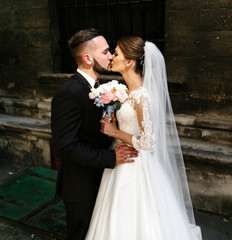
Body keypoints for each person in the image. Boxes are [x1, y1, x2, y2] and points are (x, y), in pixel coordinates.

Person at [85, 36, 202, 240]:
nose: (112, 56)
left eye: (117, 53)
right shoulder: (126, 92)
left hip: (135, 165)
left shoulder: (142, 96)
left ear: (129, 61)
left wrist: (115, 132)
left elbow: (149, 142)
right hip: (121, 158)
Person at [51, 29, 138, 240]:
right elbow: (65, 146)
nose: (111, 56)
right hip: (82, 187)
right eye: (106, 51)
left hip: (103, 179)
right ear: (88, 58)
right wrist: (111, 157)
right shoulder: (69, 93)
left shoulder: (101, 87)